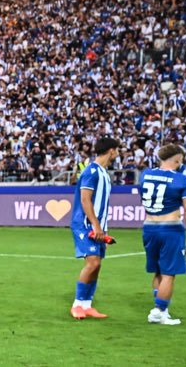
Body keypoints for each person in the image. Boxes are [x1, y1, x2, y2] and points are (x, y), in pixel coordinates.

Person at [139, 143, 186, 325]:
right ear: (178, 159)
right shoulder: (183, 180)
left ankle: (161, 309)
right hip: (171, 228)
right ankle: (159, 311)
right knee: (169, 273)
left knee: (158, 270)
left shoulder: (145, 174)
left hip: (149, 227)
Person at [70, 137, 122, 320]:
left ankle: (87, 305)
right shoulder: (91, 171)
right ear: (111, 150)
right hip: (85, 225)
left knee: (97, 265)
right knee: (92, 263)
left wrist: (103, 230)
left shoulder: (103, 173)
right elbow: (85, 200)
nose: (118, 154)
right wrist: (96, 225)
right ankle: (77, 305)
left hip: (97, 226)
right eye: (117, 150)